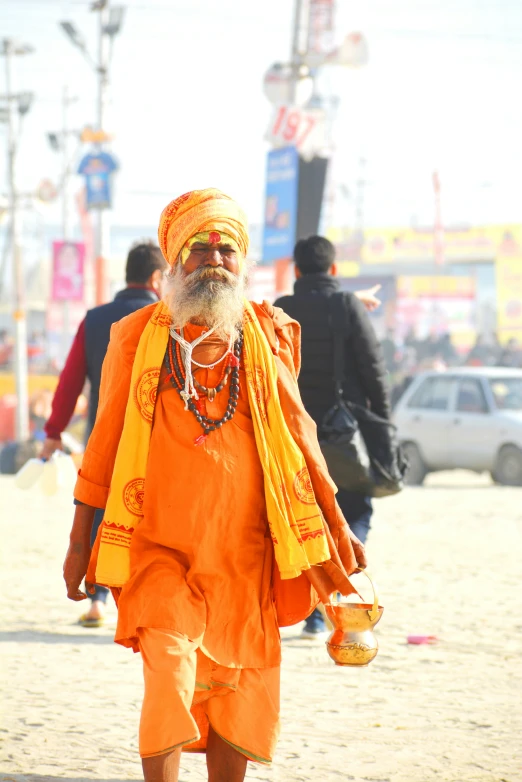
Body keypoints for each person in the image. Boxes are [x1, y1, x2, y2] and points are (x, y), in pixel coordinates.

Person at [62, 189, 367, 782]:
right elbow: (102, 443)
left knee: (239, 691)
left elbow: (299, 439)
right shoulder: (135, 336)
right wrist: (79, 543)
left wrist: (336, 527)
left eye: (227, 248)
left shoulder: (269, 334)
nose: (214, 259)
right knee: (170, 668)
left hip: (246, 556)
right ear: (173, 262)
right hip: (160, 552)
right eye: (199, 248)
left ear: (244, 260)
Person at [43, 241, 167, 627]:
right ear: (155, 278)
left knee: (100, 505)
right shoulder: (165, 316)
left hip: (105, 431)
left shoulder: (96, 319)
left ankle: (97, 600)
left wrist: (54, 431)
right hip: (157, 435)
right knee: (153, 513)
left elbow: (70, 381)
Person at [274, 235, 391, 639]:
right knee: (355, 509)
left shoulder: (281, 309)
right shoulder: (346, 306)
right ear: (335, 270)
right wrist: (384, 430)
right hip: (346, 437)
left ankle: (313, 613)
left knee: (308, 518)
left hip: (293, 436)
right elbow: (375, 372)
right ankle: (341, 596)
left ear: (297, 271)